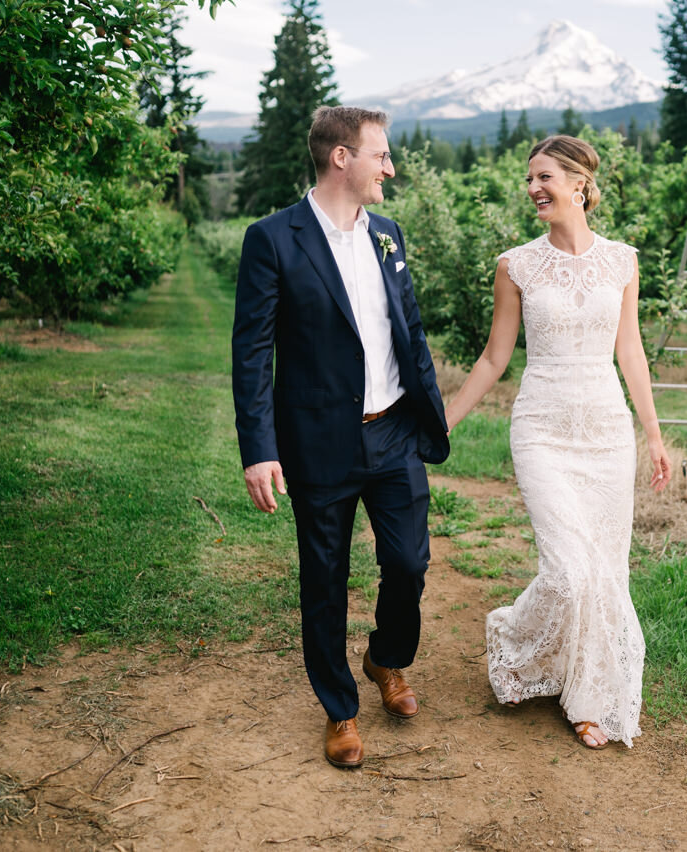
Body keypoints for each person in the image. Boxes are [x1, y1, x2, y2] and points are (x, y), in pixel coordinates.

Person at [231, 106, 449, 770]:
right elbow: (252, 352)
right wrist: (259, 447)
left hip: (394, 437)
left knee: (408, 564)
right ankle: (340, 708)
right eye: (381, 155)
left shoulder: (389, 235)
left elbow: (407, 330)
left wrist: (428, 409)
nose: (390, 167)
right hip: (319, 441)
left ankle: (385, 659)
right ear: (341, 159)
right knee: (324, 578)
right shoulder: (273, 239)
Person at [444, 135, 672, 749]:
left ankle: (588, 695)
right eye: (529, 180)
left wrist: (653, 434)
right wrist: (444, 421)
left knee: (604, 572)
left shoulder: (623, 261)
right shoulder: (515, 265)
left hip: (605, 433)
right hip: (541, 430)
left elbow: (631, 351)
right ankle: (514, 638)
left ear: (579, 183)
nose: (533, 189)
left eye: (543, 177)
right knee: (569, 573)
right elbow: (495, 359)